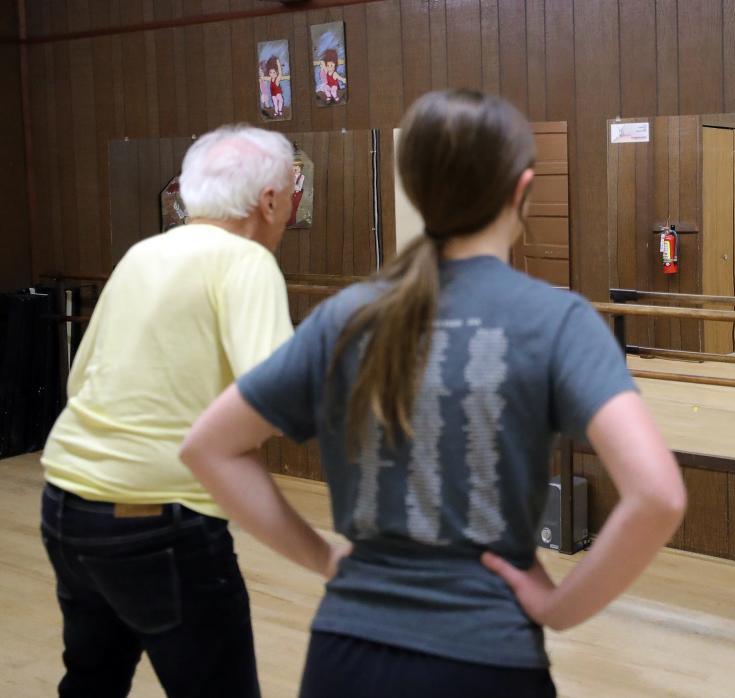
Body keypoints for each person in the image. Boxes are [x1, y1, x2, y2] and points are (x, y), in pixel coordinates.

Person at [180, 89, 687, 697]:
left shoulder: (346, 316)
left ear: (417, 188)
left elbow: (208, 447)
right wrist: (560, 607)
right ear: (521, 190)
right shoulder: (557, 320)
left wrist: (321, 557)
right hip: (487, 659)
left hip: (345, 657)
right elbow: (657, 495)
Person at [39, 124, 298, 698]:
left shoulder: (143, 254)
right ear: (272, 201)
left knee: (90, 680)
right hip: (156, 521)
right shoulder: (246, 262)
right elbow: (275, 401)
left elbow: (81, 379)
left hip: (65, 506)